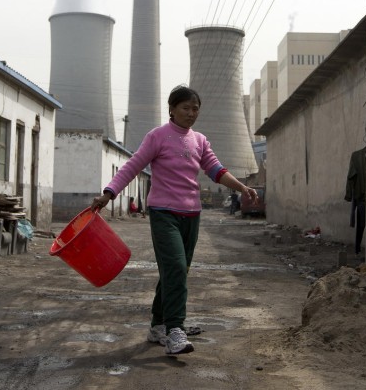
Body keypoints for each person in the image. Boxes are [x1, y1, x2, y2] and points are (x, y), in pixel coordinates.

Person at [90, 85, 258, 356]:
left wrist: (242, 188)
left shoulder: (200, 140)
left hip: (192, 215)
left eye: (195, 109)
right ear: (171, 108)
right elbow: (132, 166)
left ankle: (158, 325)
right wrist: (108, 193)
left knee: (175, 271)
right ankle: (175, 330)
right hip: (163, 214)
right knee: (176, 268)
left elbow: (216, 169)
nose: (191, 114)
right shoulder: (157, 136)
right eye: (185, 108)